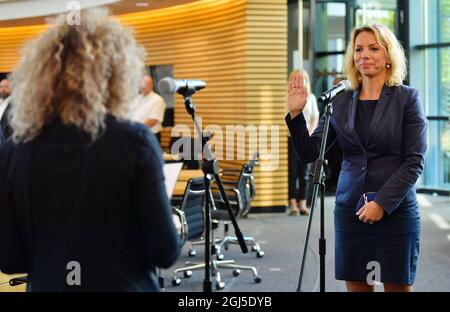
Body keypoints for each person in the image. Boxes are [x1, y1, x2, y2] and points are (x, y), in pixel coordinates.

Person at [0, 8, 180, 292]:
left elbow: (10, 260)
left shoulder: (13, 152)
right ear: (116, 74)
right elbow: (164, 251)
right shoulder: (135, 143)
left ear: (40, 76)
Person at [285, 24, 427, 292]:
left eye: (374, 48)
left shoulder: (407, 99)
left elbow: (414, 161)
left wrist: (381, 204)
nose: (364, 55)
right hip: (350, 210)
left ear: (388, 57)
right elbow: (309, 153)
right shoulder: (339, 101)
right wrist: (296, 115)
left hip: (395, 211)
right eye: (359, 49)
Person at [288, 69, 319, 216]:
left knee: (305, 174)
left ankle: (303, 204)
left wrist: (310, 134)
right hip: (292, 139)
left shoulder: (311, 98)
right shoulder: (288, 97)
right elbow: (288, 117)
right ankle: (293, 204)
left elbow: (315, 118)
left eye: (303, 79)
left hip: (308, 138)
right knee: (293, 173)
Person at [129, 75, 166, 143]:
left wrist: (135, 129)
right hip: (135, 134)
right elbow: (129, 114)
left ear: (151, 85)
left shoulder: (157, 100)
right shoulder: (136, 99)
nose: (143, 86)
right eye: (141, 84)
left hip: (150, 135)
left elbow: (153, 120)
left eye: (145, 84)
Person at [0, 78, 12, 144]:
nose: (3, 89)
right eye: (1, 87)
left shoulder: (15, 104)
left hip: (7, 140)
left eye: (6, 87)